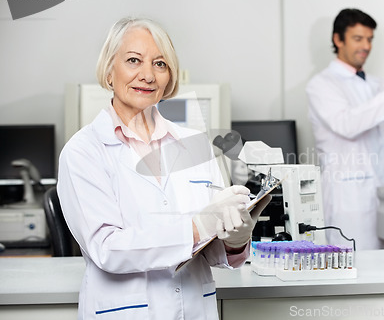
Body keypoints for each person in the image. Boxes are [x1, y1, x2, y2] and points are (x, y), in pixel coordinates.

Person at [57, 17, 270, 320]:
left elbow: (207, 250)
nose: (147, 75)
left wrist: (234, 240)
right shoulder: (83, 152)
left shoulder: (195, 145)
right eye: (133, 60)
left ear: (170, 77)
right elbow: (107, 249)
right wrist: (198, 226)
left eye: (160, 64)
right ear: (108, 71)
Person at [306, 8, 384, 250]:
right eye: (358, 38)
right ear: (338, 39)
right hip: (351, 199)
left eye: (370, 39)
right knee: (358, 271)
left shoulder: (377, 84)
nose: (366, 45)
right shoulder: (322, 85)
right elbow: (348, 125)